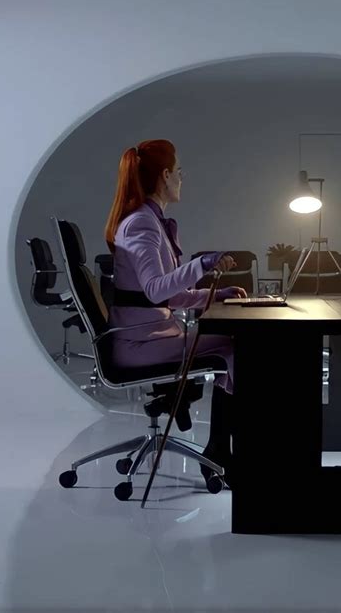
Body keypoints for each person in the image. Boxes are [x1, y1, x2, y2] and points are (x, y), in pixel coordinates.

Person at [105, 139, 247, 487]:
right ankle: (219, 452)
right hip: (141, 344)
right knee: (235, 347)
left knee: (233, 345)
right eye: (179, 171)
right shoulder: (141, 224)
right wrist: (202, 264)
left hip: (150, 335)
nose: (183, 178)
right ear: (165, 175)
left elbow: (162, 295)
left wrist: (213, 294)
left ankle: (218, 450)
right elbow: (157, 290)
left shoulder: (150, 221)